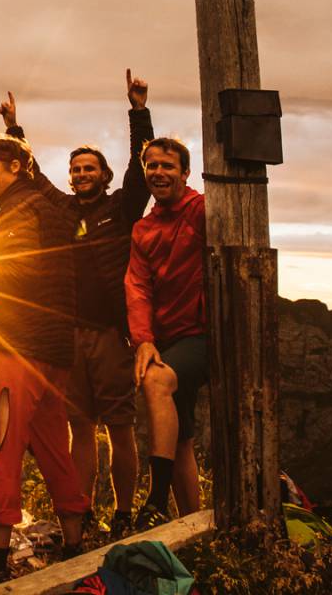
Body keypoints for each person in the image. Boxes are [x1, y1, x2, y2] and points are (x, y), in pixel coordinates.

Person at [1, 71, 154, 539]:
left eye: (89, 169)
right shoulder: (63, 211)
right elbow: (33, 177)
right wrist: (14, 130)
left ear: (104, 177)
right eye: (76, 170)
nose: (81, 175)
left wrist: (138, 111)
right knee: (80, 428)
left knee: (120, 429)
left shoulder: (123, 207)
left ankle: (124, 512)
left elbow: (140, 165)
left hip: (111, 333)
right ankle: (82, 511)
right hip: (69, 337)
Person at [0, 124, 90, 584]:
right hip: (56, 353)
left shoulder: (16, 210)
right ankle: (74, 548)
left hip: (18, 348)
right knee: (55, 452)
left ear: (14, 167)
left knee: (0, 450)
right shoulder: (57, 208)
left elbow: (18, 276)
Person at [126, 134, 208, 527]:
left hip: (205, 335)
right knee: (180, 439)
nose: (158, 172)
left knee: (156, 382)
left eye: (167, 166)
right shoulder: (143, 229)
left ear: (185, 173)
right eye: (152, 166)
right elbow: (138, 287)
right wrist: (143, 339)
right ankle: (192, 526)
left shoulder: (201, 210)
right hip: (169, 339)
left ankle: (156, 501)